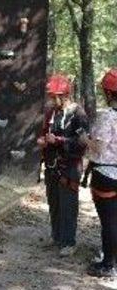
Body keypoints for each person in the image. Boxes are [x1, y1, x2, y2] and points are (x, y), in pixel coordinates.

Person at [37, 73, 88, 257]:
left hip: (70, 166)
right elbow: (46, 132)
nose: (51, 100)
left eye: (54, 97)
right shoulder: (53, 112)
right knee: (54, 202)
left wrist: (58, 140)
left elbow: (82, 142)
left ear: (64, 95)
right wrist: (43, 140)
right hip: (52, 164)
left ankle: (68, 242)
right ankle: (57, 236)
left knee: (68, 204)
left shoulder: (78, 113)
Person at [83, 69, 117, 280]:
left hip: (106, 173)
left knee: (109, 221)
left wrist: (83, 139)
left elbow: (98, 147)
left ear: (109, 93)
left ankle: (108, 264)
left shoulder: (107, 118)